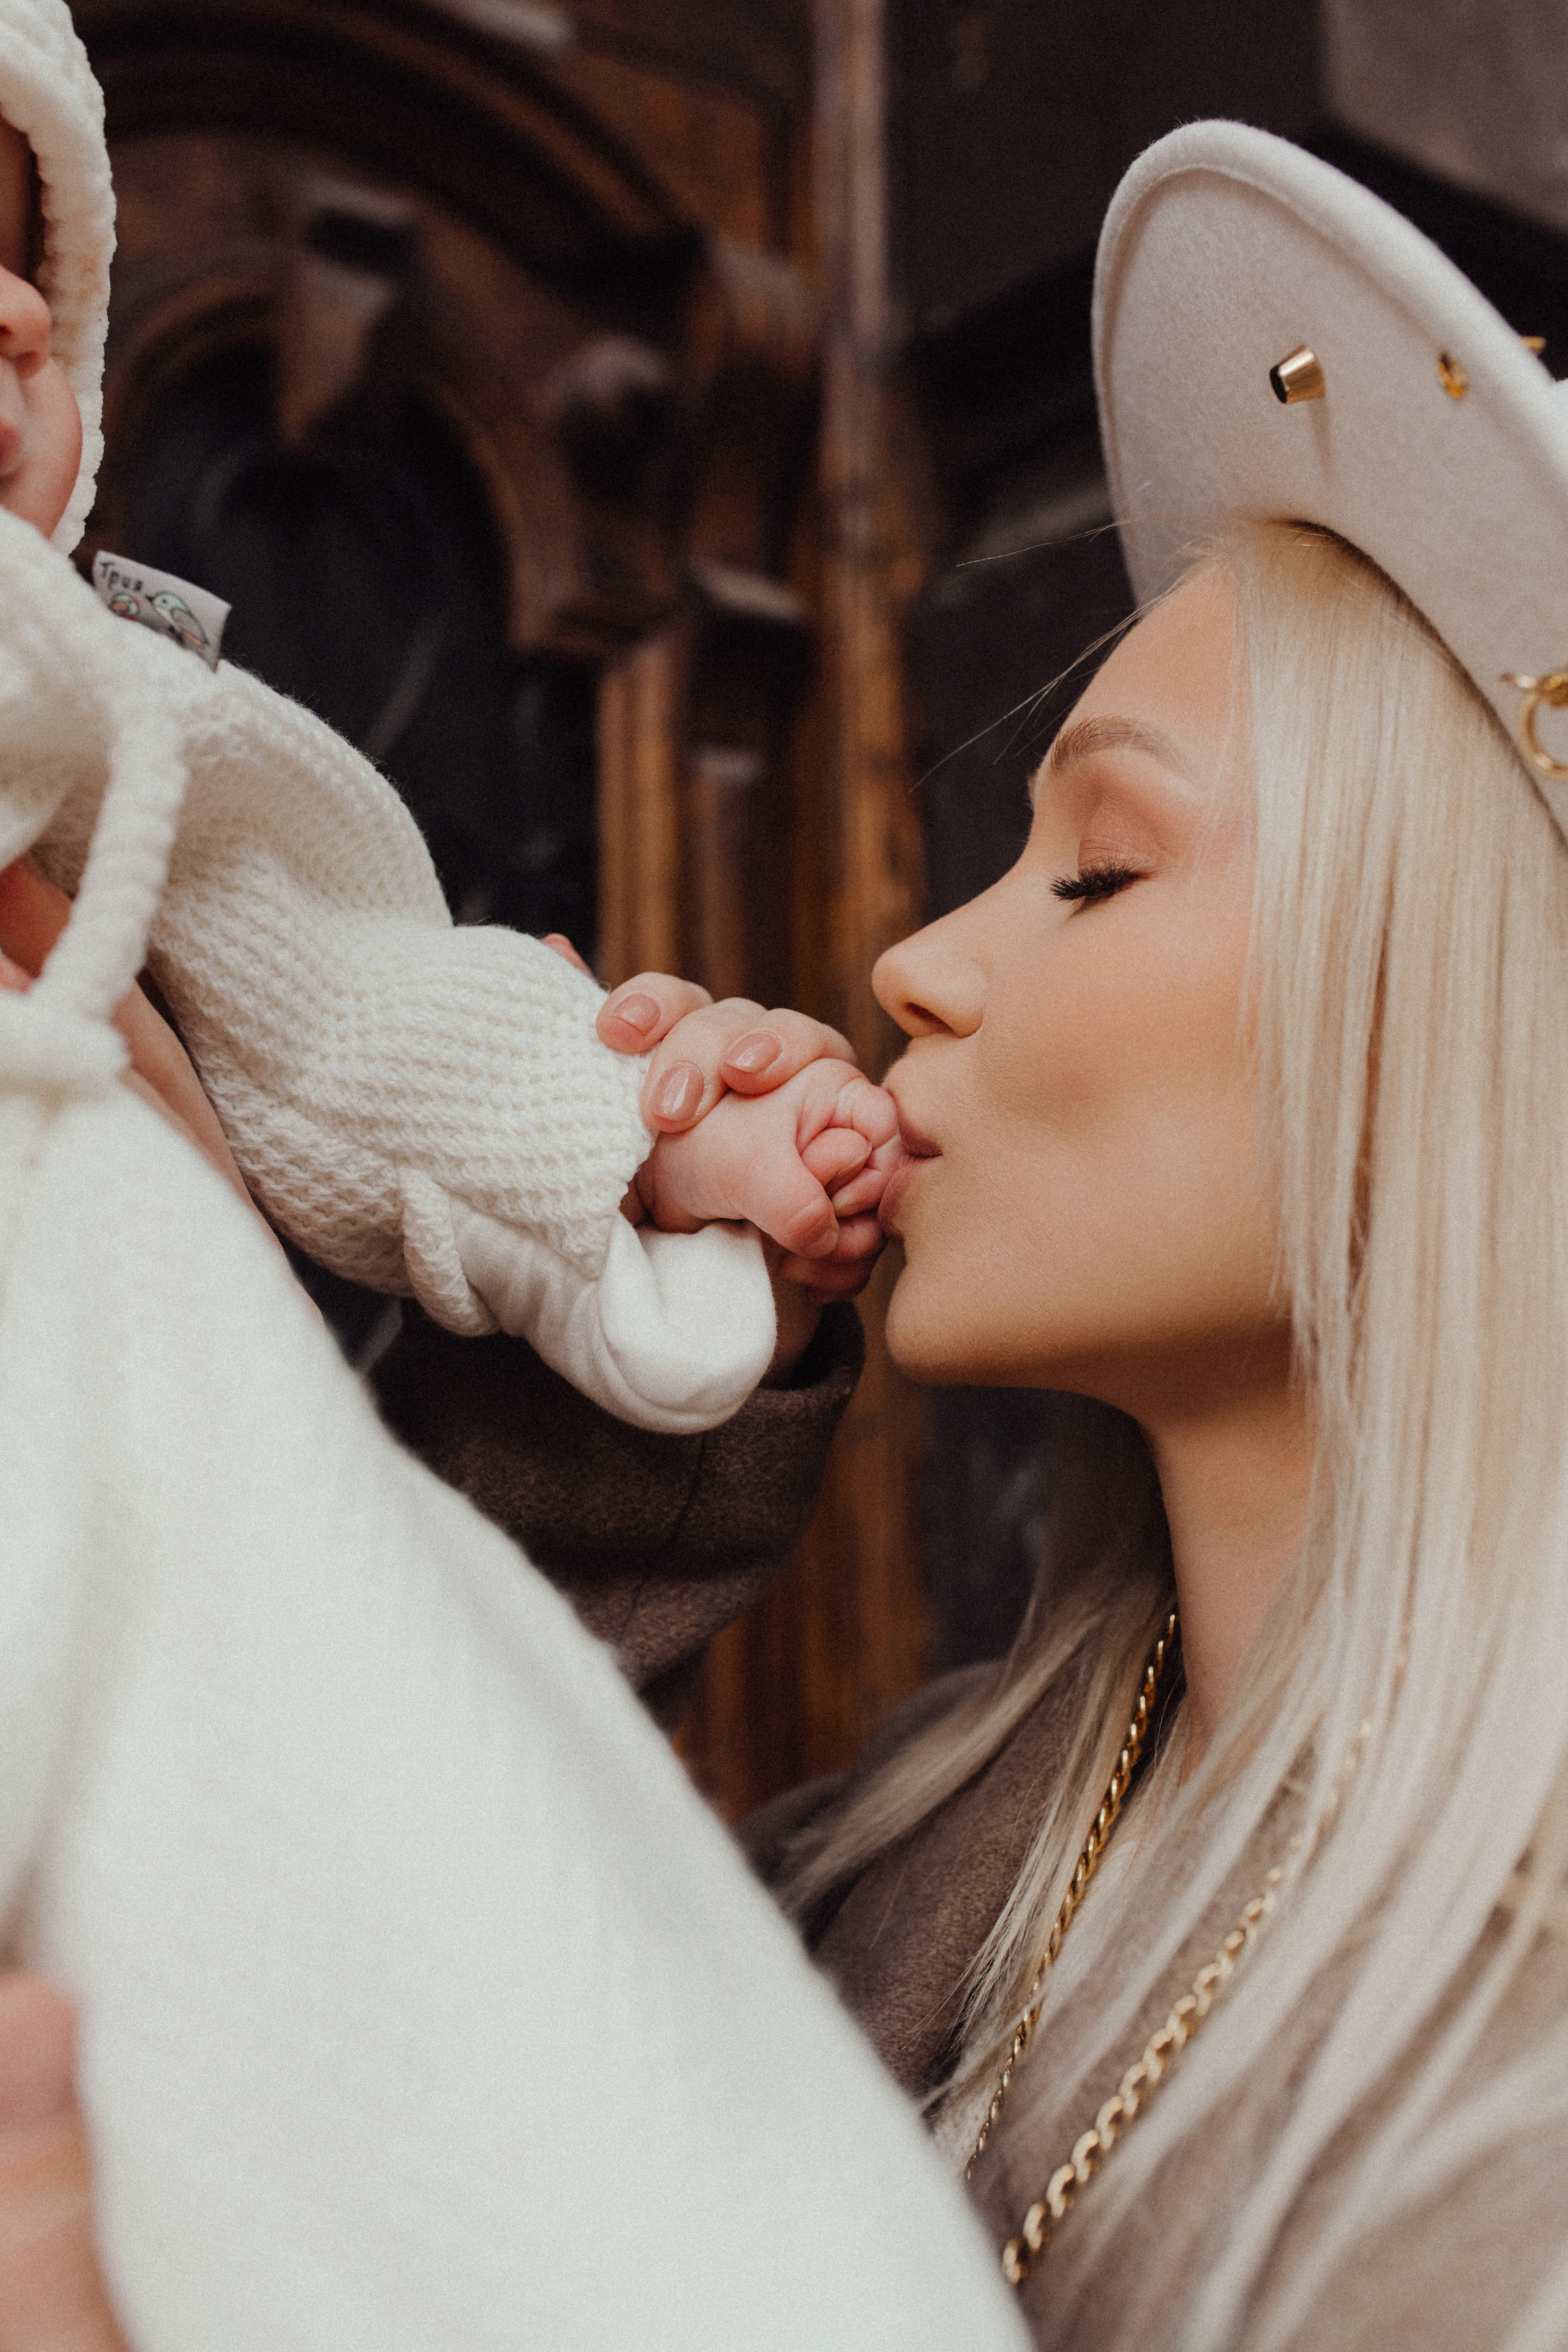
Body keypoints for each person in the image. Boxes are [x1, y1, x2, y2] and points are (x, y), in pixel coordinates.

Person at [15, 93, 1568, 2352]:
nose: (923, 961)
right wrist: (591, 1331)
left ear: (1464, 1018)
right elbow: (389, 2005)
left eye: (1098, 868)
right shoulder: (916, 1867)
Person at [0, 4, 1033, 2348]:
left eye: (19, 268)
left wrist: (620, 1141)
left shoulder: (126, 776)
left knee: (457, 2013)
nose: (10, 322)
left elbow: (372, 1007)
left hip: (154, 1536)